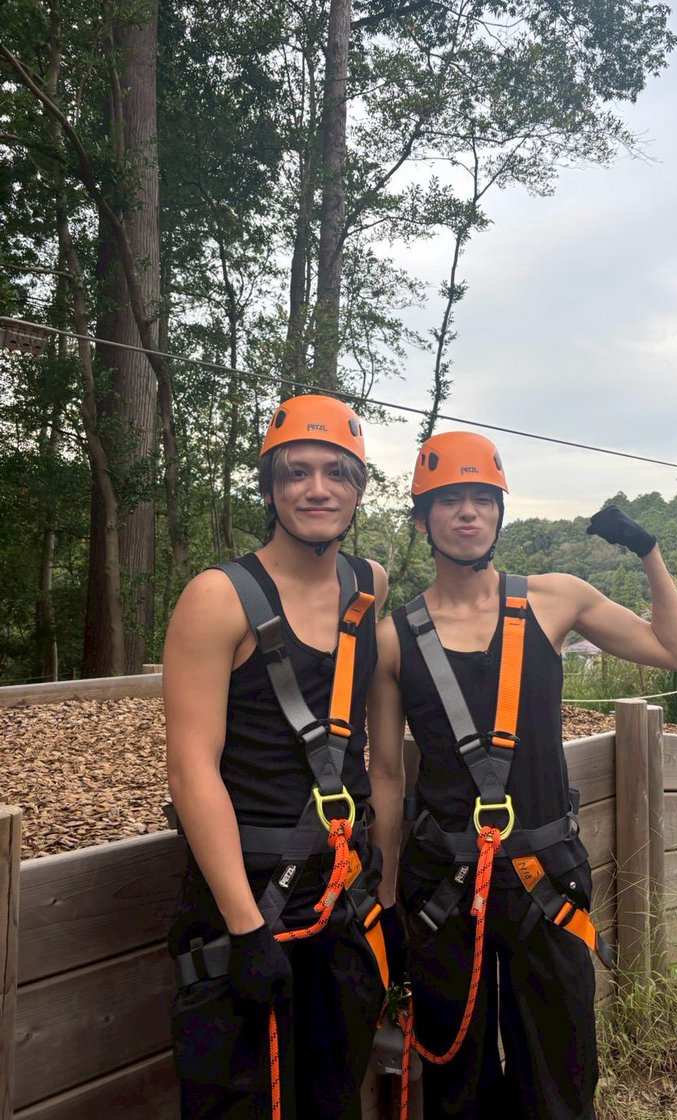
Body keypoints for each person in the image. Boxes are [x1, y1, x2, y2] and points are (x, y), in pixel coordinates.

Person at [367, 431, 677, 1120]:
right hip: (443, 886)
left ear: (499, 513)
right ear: (422, 519)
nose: (467, 513)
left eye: (482, 500)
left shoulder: (555, 600)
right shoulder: (395, 637)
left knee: (562, 1069)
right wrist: (389, 898)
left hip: (546, 875)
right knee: (454, 1078)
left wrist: (649, 551)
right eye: (449, 501)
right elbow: (387, 775)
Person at [164, 394, 389, 1120]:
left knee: (334, 1092)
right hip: (251, 888)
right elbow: (191, 765)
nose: (316, 489)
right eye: (296, 473)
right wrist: (245, 927)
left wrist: (381, 885)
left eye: (336, 473)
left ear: (358, 489)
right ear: (268, 488)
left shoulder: (368, 585)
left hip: (343, 892)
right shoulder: (217, 598)